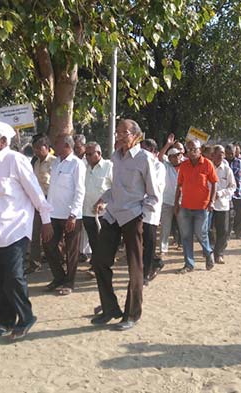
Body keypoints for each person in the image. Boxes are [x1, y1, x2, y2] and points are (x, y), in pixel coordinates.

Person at [0, 120, 53, 340]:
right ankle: (4, 322)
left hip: (15, 229)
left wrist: (46, 219)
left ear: (3, 141)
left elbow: (35, 192)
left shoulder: (15, 160)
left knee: (14, 277)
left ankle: (26, 317)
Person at [91, 119, 158, 330]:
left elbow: (153, 195)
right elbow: (116, 187)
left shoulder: (145, 159)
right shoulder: (116, 158)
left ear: (136, 135)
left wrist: (139, 214)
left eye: (124, 132)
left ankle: (132, 314)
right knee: (100, 261)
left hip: (132, 217)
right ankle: (110, 309)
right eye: (117, 131)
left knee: (134, 266)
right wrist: (103, 198)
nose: (118, 135)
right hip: (112, 215)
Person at [44, 135, 86, 296]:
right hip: (53, 213)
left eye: (57, 143)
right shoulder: (55, 163)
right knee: (48, 245)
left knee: (71, 251)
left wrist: (73, 215)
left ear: (67, 145)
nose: (54, 146)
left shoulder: (77, 164)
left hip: (71, 215)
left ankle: (69, 282)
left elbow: (80, 190)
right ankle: (59, 277)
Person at [174, 138, 218, 273]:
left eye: (194, 149)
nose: (192, 152)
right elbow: (179, 185)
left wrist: (211, 201)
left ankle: (208, 252)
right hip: (185, 206)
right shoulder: (184, 166)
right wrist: (176, 203)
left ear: (200, 150)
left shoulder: (207, 164)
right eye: (189, 150)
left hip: (202, 207)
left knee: (201, 234)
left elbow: (214, 183)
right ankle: (189, 264)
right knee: (186, 236)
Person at [26, 134, 57, 274]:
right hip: (37, 201)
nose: (37, 151)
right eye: (35, 149)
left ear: (47, 148)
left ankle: (56, 261)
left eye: (39, 148)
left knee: (52, 234)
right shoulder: (35, 162)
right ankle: (34, 263)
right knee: (35, 232)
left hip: (51, 201)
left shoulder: (55, 162)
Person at [82, 142, 113, 278]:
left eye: (90, 154)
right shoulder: (83, 167)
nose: (87, 157)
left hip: (103, 213)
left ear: (98, 154)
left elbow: (115, 188)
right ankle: (96, 265)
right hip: (87, 212)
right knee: (93, 240)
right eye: (86, 154)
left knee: (103, 241)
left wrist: (104, 204)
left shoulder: (109, 167)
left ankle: (99, 267)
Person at [139, 139, 165, 285]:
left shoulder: (159, 167)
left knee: (148, 242)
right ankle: (156, 262)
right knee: (139, 242)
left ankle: (146, 274)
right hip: (135, 209)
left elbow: (154, 188)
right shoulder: (137, 164)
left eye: (146, 150)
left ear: (154, 152)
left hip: (150, 210)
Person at [209, 145, 236, 264]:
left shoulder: (227, 169)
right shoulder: (207, 167)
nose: (221, 156)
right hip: (207, 204)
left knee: (223, 230)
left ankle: (219, 253)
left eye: (223, 154)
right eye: (219, 153)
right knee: (207, 230)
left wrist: (220, 193)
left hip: (222, 205)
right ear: (212, 155)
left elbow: (233, 186)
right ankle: (209, 252)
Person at [158, 146, 183, 259]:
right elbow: (159, 157)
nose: (176, 158)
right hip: (167, 200)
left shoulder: (186, 165)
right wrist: (168, 144)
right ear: (169, 158)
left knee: (184, 226)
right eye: (173, 156)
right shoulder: (166, 166)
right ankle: (163, 249)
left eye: (177, 155)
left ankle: (184, 246)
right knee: (165, 226)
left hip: (182, 201)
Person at [225, 144, 241, 240]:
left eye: (232, 153)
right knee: (228, 215)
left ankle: (239, 233)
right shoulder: (223, 163)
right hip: (227, 194)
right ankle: (227, 233)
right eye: (228, 153)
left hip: (240, 192)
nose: (230, 155)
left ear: (235, 153)